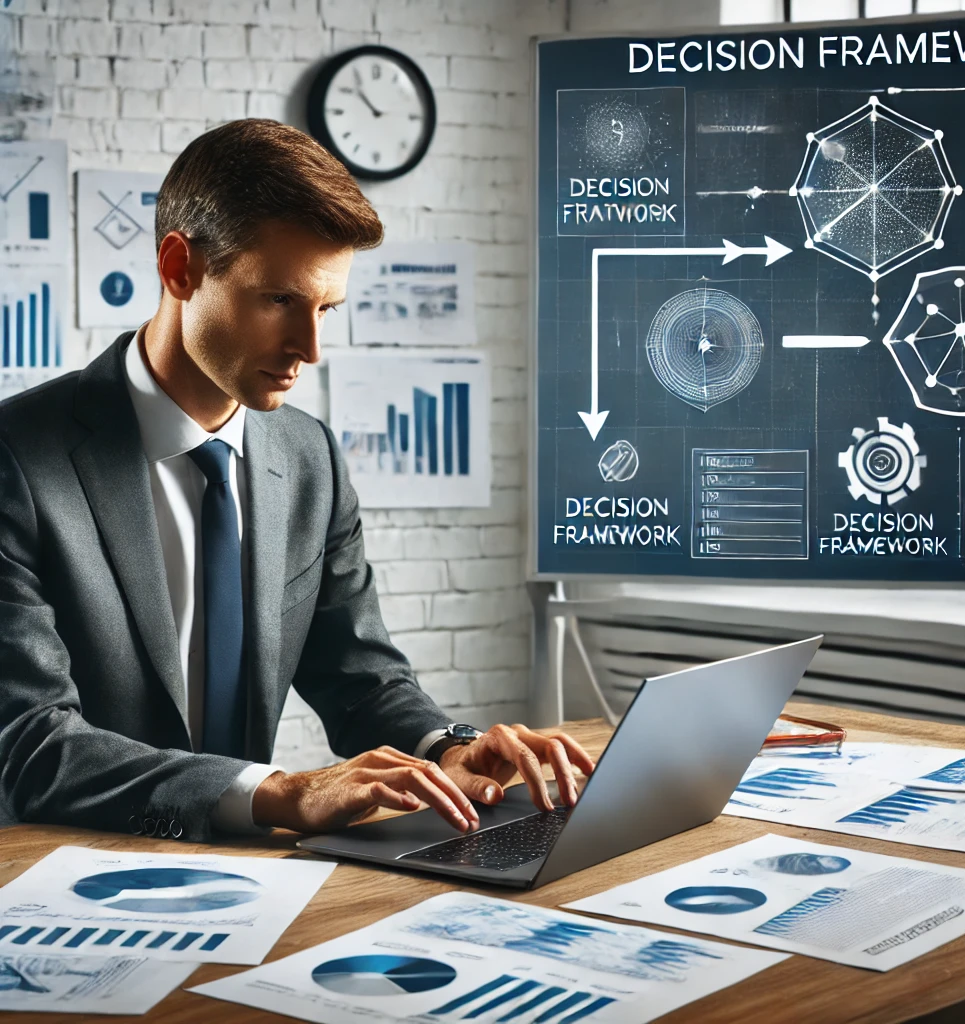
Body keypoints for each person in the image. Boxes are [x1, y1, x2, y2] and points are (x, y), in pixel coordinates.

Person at [0, 119, 593, 843]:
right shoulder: (18, 460)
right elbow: (30, 746)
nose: (309, 349)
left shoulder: (309, 456)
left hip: (247, 882)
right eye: (280, 300)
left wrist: (449, 747)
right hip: (50, 881)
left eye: (326, 310)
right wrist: (279, 792)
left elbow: (359, 674)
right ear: (179, 267)